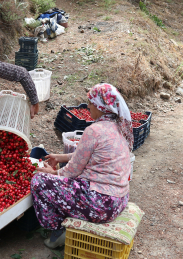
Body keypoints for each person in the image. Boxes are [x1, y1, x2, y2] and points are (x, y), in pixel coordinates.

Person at [31, 83, 133, 248]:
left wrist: (53, 174)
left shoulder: (95, 130)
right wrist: (60, 157)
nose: (88, 106)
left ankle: (57, 231)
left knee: (39, 181)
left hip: (101, 204)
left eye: (91, 102)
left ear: (101, 106)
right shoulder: (118, 127)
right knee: (69, 181)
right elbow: (86, 154)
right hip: (119, 200)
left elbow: (73, 170)